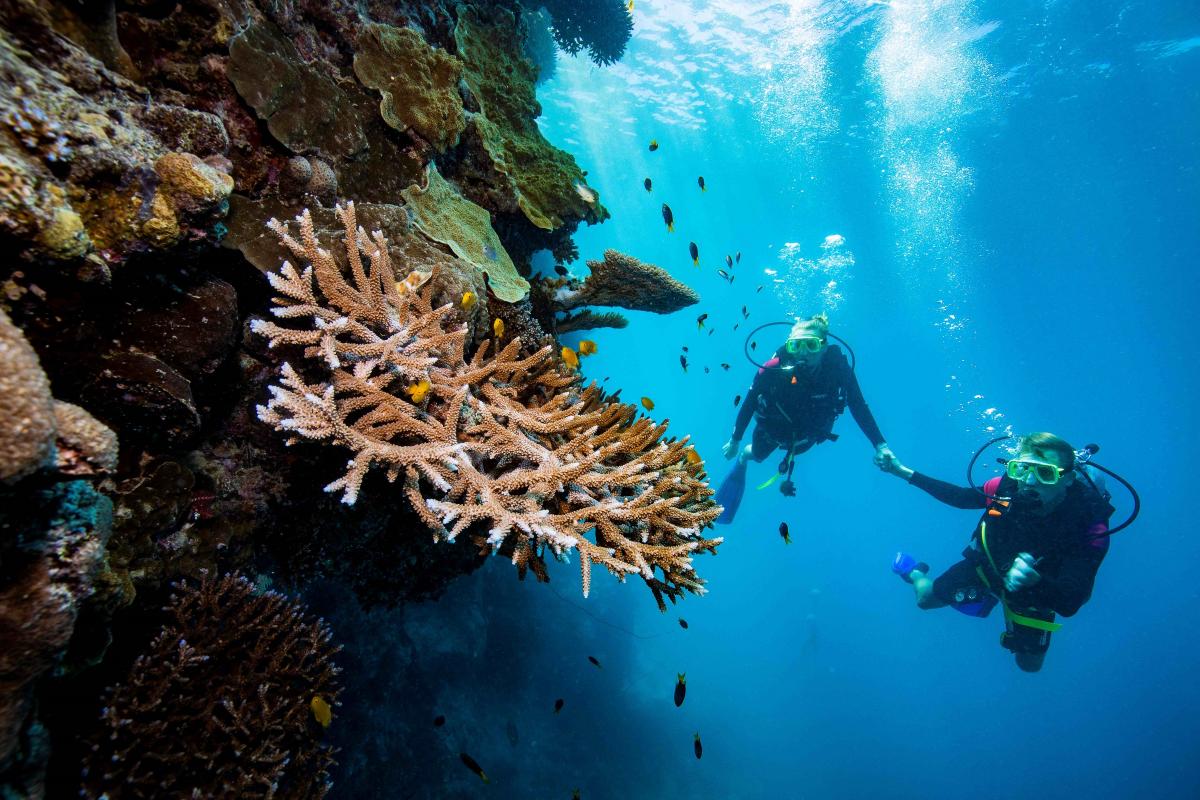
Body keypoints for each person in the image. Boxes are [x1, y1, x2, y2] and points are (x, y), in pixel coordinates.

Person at [886, 432, 1114, 672]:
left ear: (1068, 479)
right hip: (987, 568)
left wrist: (1035, 583)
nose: (1029, 481)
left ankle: (993, 602)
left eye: (1045, 473)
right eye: (1022, 469)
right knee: (925, 600)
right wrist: (902, 471)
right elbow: (962, 497)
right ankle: (914, 572)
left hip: (1036, 594)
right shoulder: (1005, 488)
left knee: (1029, 665)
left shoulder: (1089, 523)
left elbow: (1072, 601)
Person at [713, 313, 896, 523]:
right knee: (756, 454)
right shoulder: (773, 368)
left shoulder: (838, 370)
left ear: (824, 346)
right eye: (796, 346)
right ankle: (744, 457)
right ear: (788, 346)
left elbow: (858, 405)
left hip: (809, 436)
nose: (803, 353)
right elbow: (749, 402)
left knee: (798, 451)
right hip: (771, 432)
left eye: (811, 345)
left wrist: (880, 445)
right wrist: (735, 440)